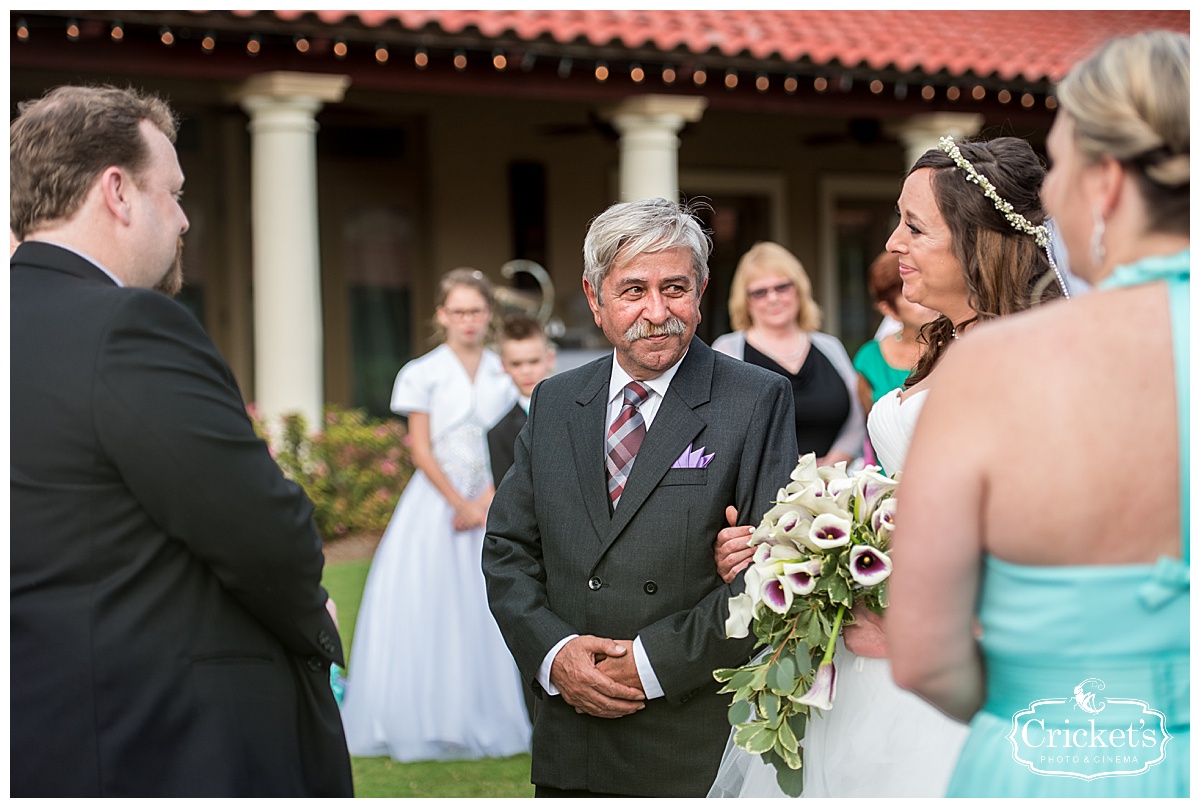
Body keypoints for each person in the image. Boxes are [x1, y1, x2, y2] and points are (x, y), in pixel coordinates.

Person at [10, 85, 352, 796]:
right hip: (165, 737)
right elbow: (256, 526)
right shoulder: (126, 325)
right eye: (172, 191)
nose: (185, 219)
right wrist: (311, 613)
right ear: (117, 193)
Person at [710, 135, 1065, 798]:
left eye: (913, 226)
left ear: (975, 239)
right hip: (869, 657)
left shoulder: (1031, 359)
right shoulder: (945, 341)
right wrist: (795, 541)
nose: (892, 243)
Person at [889, 30, 1189, 797]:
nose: (1049, 198)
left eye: (1064, 168)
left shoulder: (991, 366)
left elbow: (924, 656)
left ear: (1110, 184)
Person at [482, 198, 798, 797]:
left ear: (702, 290)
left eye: (675, 288)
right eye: (632, 291)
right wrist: (556, 655)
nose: (657, 313)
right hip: (571, 731)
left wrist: (650, 666)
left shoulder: (756, 400)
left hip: (689, 730)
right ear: (594, 297)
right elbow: (508, 549)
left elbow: (770, 577)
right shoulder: (554, 401)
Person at [339, 268, 531, 761]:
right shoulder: (421, 372)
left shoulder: (501, 369)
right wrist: (458, 503)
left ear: (489, 315)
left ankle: (483, 716)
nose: (468, 320)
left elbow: (515, 439)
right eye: (458, 310)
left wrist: (486, 501)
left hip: (491, 502)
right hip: (434, 506)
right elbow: (420, 451)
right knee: (428, 605)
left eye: (476, 310)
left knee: (486, 607)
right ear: (442, 315)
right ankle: (426, 717)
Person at [712, 242, 864, 466]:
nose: (772, 298)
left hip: (833, 486)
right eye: (759, 292)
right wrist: (790, 467)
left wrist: (831, 466)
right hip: (763, 489)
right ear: (745, 301)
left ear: (799, 289)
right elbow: (723, 428)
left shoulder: (830, 346)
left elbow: (857, 417)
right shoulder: (728, 350)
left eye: (782, 287)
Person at [853, 251, 937, 419]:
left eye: (928, 287)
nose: (927, 300)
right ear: (889, 309)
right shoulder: (870, 359)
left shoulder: (958, 344)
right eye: (912, 296)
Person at [487, 313, 556, 488]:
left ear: (549, 359)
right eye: (516, 364)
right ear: (504, 365)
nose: (526, 371)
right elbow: (506, 501)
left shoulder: (579, 411)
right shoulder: (499, 434)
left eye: (533, 362)